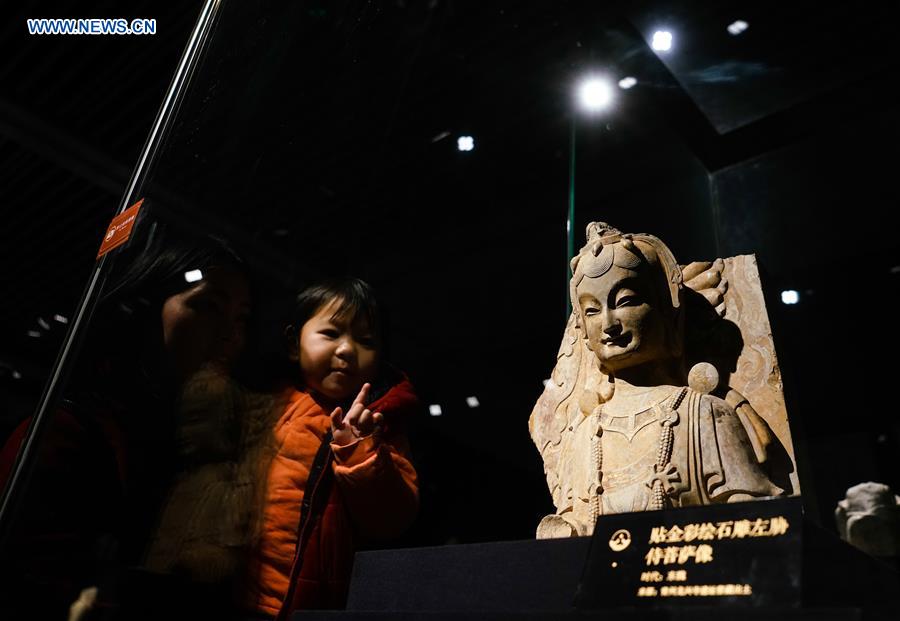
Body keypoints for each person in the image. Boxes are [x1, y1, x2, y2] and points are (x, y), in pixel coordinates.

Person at [0, 226, 252, 618]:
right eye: (208, 306)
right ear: (147, 312)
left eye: (241, 319)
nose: (230, 335)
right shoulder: (68, 432)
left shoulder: (199, 445)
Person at [530, 222, 781, 538]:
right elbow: (575, 525)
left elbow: (756, 521)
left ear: (668, 312)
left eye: (626, 301)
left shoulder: (703, 415)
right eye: (592, 310)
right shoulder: (583, 436)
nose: (609, 324)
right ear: (582, 329)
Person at [241, 278, 419, 618]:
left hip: (311, 605)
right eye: (331, 333)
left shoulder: (380, 422)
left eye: (366, 340)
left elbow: (392, 519)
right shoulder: (262, 400)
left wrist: (359, 448)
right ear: (294, 343)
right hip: (235, 593)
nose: (347, 349)